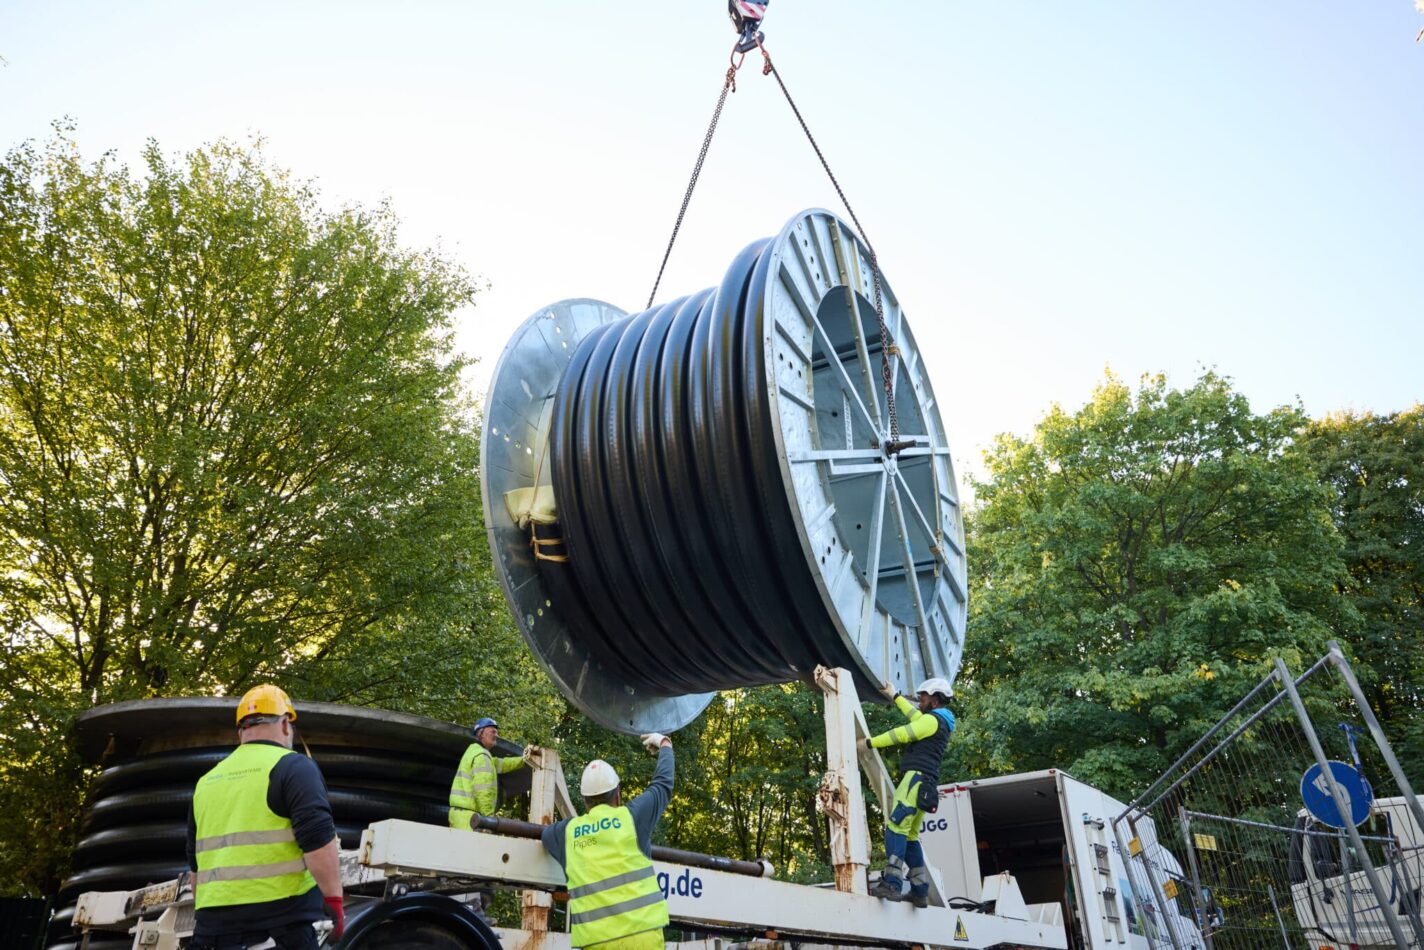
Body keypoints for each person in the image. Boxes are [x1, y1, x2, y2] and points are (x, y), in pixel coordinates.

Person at [186, 684, 343, 949]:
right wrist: (335, 902)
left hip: (210, 933)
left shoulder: (206, 782)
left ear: (241, 731)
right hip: (279, 929)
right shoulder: (293, 766)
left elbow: (195, 868)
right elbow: (318, 843)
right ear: (285, 724)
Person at [540, 733, 674, 950]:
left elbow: (545, 835)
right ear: (617, 795)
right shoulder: (631, 818)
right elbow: (663, 785)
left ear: (585, 801)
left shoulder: (567, 832)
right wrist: (665, 744)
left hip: (597, 944)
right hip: (643, 939)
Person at [863, 678, 956, 907]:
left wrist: (869, 743)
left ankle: (892, 884)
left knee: (896, 827)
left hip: (914, 780)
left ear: (935, 700)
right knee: (911, 835)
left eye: (923, 697)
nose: (919, 700)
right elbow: (914, 715)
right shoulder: (939, 722)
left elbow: (901, 734)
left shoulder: (931, 721)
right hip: (926, 785)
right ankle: (919, 891)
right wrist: (895, 696)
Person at [448, 716, 531, 831]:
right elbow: (483, 790)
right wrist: (488, 819)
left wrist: (525, 759)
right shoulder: (482, 756)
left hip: (461, 816)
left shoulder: (474, 752)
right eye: (493, 731)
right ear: (481, 733)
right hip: (470, 819)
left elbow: (502, 764)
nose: (496, 735)